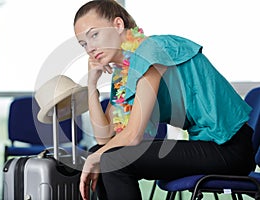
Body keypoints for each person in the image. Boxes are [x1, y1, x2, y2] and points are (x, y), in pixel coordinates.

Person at [73, 0, 256, 199]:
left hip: (229, 148)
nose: (89, 48)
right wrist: (92, 86)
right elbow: (105, 138)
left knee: (112, 159)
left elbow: (133, 136)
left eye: (94, 35)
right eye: (83, 43)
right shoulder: (124, 73)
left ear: (118, 25)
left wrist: (97, 156)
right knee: (99, 151)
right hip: (205, 145)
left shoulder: (151, 51)